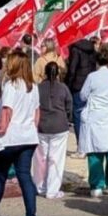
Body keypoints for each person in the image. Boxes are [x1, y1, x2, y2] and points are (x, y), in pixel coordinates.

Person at [0, 50, 41, 216]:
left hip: (11, 137)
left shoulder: (10, 85)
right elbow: (37, 113)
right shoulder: (33, 86)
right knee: (25, 177)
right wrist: (32, 128)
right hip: (28, 136)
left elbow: (7, 112)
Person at [80, 46, 108, 198]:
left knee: (95, 153)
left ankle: (96, 186)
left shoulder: (92, 77)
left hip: (95, 117)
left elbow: (83, 95)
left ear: (97, 61)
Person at [34, 61, 73, 199]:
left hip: (41, 126)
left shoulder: (38, 88)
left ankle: (40, 186)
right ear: (57, 73)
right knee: (56, 159)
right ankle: (52, 190)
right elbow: (69, 106)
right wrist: (67, 118)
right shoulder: (63, 88)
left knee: (40, 159)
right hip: (59, 126)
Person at [65, 37, 97, 144]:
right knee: (88, 114)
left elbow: (72, 69)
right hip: (90, 85)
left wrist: (68, 85)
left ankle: (81, 143)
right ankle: (88, 141)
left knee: (77, 114)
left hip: (77, 86)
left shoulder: (75, 49)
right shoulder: (92, 49)